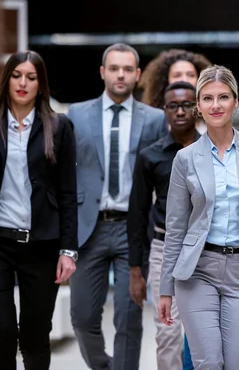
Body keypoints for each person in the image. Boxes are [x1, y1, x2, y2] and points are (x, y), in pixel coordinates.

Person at [157, 65, 239, 370]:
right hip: (197, 271)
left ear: (235, 102)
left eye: (223, 97)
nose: (216, 105)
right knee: (208, 364)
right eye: (208, 98)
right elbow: (175, 228)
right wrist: (165, 288)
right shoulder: (185, 159)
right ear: (198, 105)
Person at [0, 51, 78, 370]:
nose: (23, 83)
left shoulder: (59, 127)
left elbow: (68, 192)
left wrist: (68, 250)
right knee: (2, 331)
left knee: (36, 336)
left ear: (41, 84)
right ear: (7, 80)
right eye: (16, 75)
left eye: (31, 77)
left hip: (42, 245)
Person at [67, 43, 168, 370]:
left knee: (129, 318)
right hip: (89, 228)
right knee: (82, 317)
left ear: (138, 75)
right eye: (114, 68)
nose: (120, 74)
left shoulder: (154, 120)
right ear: (102, 72)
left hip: (133, 230)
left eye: (127, 69)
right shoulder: (77, 114)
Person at [128, 81, 200, 370]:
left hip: (205, 250)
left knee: (202, 333)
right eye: (173, 105)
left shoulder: (213, 151)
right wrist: (136, 270)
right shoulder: (150, 156)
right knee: (168, 332)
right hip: (164, 249)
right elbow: (137, 213)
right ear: (165, 111)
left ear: (196, 108)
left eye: (186, 105)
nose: (180, 111)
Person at [139, 49, 212, 110]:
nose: (184, 80)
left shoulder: (210, 119)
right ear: (165, 81)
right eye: (177, 75)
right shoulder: (155, 120)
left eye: (191, 75)